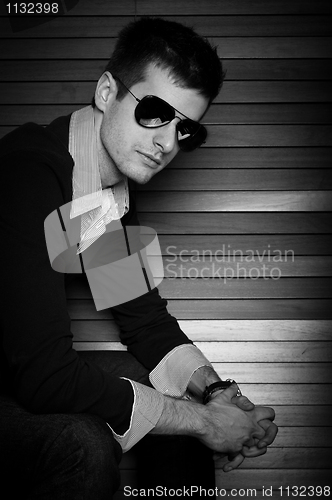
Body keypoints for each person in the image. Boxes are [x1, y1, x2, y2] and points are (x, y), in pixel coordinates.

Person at [0, 17, 277, 499]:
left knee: (172, 395)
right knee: (81, 445)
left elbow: (143, 319)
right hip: (16, 380)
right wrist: (203, 423)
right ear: (107, 92)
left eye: (184, 128)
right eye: (153, 111)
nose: (167, 143)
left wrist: (217, 397)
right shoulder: (27, 174)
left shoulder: (111, 193)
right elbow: (44, 376)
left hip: (21, 374)